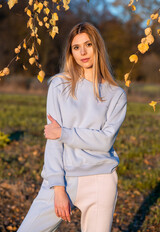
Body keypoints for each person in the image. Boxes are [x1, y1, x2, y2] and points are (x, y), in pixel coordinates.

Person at [17, 22, 127, 232]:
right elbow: (53, 141)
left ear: (98, 48)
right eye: (76, 47)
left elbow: (105, 142)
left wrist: (63, 133)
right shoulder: (59, 85)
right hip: (63, 178)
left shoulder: (116, 94)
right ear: (71, 52)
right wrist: (58, 188)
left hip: (101, 180)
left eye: (88, 45)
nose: (83, 52)